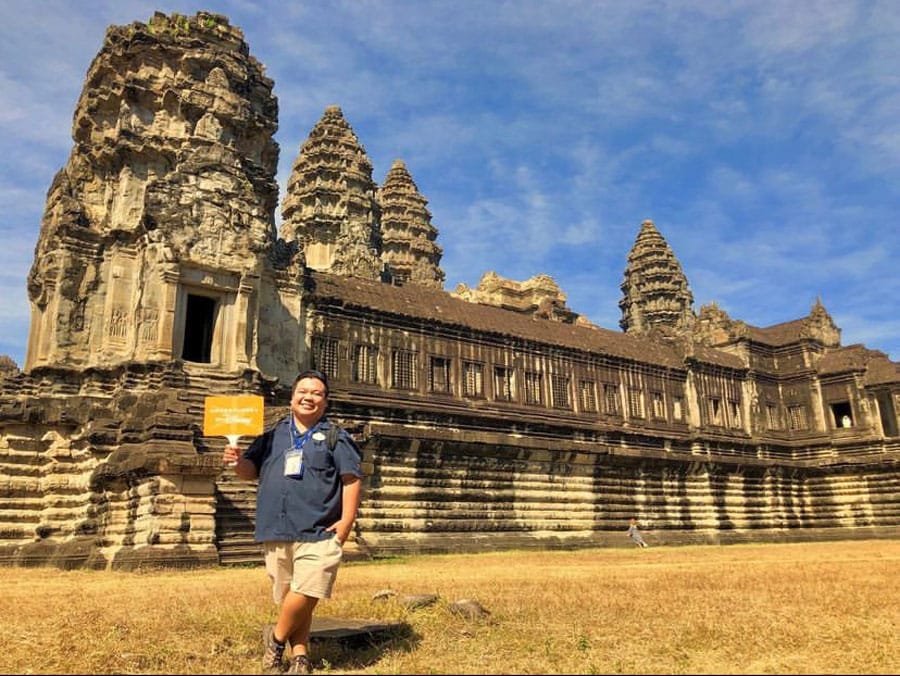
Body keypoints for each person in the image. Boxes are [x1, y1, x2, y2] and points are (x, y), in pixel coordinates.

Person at [223, 369, 363, 675]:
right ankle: (300, 656)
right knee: (292, 596)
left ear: (325, 402)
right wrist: (236, 462)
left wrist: (347, 521)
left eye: (316, 393)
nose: (308, 397)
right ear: (292, 398)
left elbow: (351, 479)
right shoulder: (272, 435)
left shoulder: (335, 437)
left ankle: (275, 641)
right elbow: (250, 470)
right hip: (277, 525)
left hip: (320, 527)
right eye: (303, 391)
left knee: (307, 589)